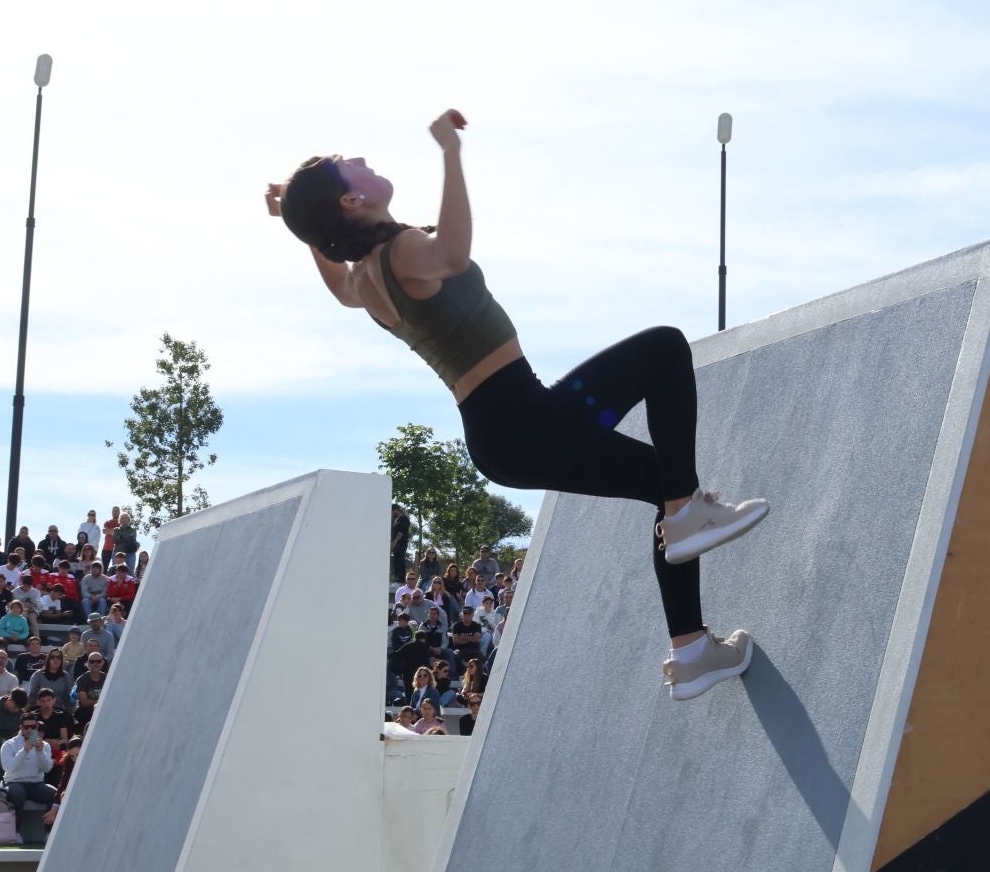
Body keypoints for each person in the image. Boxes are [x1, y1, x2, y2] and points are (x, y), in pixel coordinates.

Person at [272, 123, 769, 698]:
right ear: (351, 200)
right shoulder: (401, 252)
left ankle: (692, 653)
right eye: (345, 162)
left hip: (503, 439)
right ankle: (687, 515)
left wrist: (300, 220)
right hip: (526, 418)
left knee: (664, 480)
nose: (358, 156)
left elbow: (335, 287)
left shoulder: (362, 280)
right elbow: (454, 253)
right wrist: (452, 154)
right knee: (664, 348)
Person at [0, 713, 57, 814]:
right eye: (26, 727)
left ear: (37, 727)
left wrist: (40, 752)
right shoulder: (9, 744)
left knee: (55, 795)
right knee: (17, 795)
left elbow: (46, 769)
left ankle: (50, 828)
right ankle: (15, 828)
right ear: (21, 728)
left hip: (36, 783)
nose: (30, 730)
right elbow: (8, 768)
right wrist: (24, 751)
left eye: (33, 727)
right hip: (14, 782)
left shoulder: (44, 745)